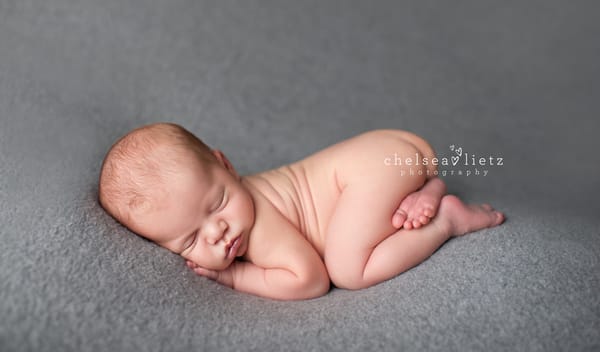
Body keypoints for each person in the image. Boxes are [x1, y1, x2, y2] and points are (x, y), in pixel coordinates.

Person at [98, 123, 504, 300]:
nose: (218, 232)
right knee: (357, 230)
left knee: (348, 270)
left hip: (370, 171)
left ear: (227, 166)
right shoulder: (237, 206)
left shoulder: (257, 226)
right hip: (387, 157)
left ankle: (446, 219)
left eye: (218, 203)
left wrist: (238, 276)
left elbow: (309, 280)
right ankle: (423, 188)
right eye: (190, 239)